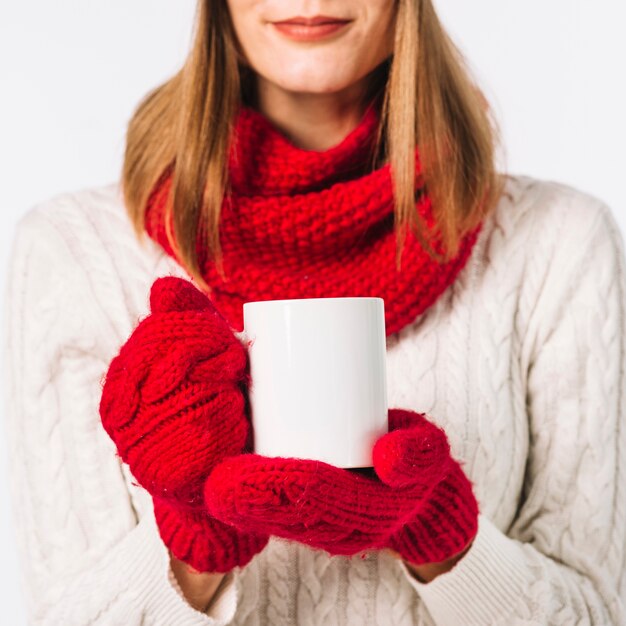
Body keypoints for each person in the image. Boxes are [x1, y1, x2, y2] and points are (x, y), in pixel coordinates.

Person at [4, 0, 626, 624]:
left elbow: (595, 613)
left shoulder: (556, 242)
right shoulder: (72, 251)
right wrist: (197, 546)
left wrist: (446, 538)